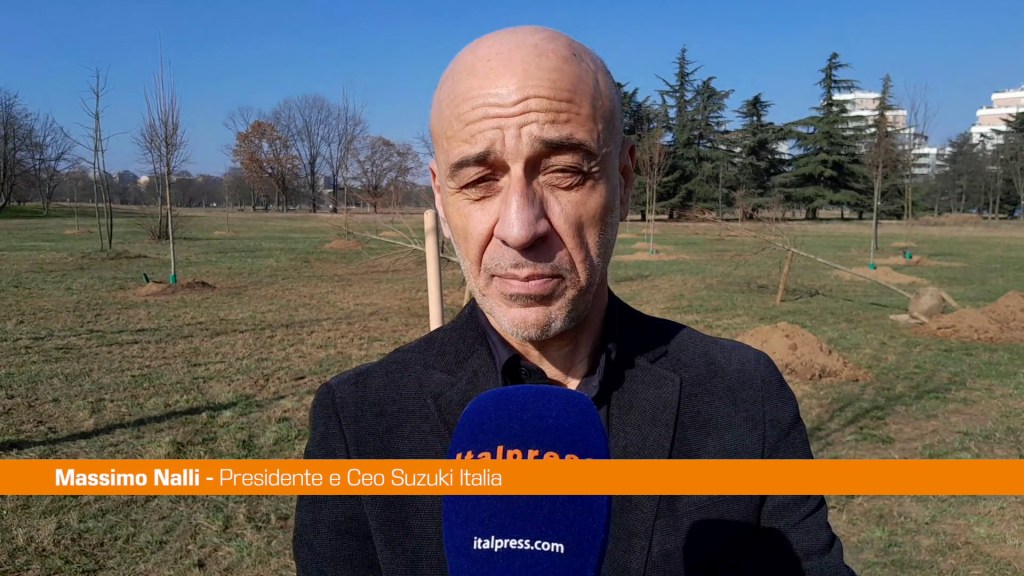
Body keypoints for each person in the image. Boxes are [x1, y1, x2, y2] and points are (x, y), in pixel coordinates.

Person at [294, 25, 856, 576]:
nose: (520, 228)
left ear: (624, 180)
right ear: (441, 199)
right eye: (479, 182)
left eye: (564, 172)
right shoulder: (359, 422)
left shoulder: (743, 395)